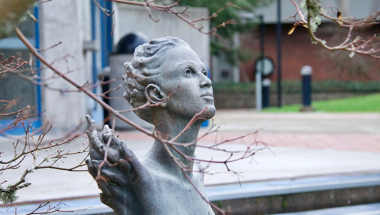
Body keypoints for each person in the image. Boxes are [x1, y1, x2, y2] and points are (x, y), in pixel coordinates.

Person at [86, 36, 216, 215]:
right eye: (188, 72)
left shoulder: (197, 174)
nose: (206, 82)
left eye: (203, 72)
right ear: (156, 95)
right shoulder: (140, 181)